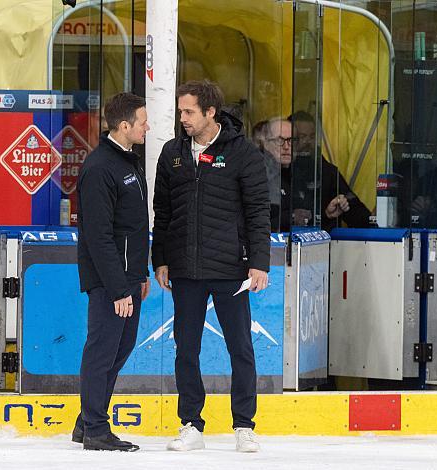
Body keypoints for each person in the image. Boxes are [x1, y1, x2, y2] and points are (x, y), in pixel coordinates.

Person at [152, 80, 270, 453]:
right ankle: (190, 424)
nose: (182, 118)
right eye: (181, 111)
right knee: (185, 347)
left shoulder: (243, 154)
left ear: (210, 113)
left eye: (188, 112)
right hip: (185, 269)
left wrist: (259, 263)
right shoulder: (172, 153)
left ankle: (244, 424)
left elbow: (257, 212)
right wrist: (162, 259)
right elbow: (163, 212)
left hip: (231, 269)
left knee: (240, 347)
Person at [74, 92, 151, 452]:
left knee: (120, 349)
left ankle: (86, 420)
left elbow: (133, 227)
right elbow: (99, 237)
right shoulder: (100, 168)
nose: (147, 126)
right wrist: (119, 288)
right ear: (124, 126)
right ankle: (95, 428)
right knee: (103, 350)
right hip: (110, 282)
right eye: (143, 121)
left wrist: (140, 275)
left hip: (128, 278)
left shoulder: (129, 162)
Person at [283, 112, 372, 232]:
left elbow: (355, 211)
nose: (307, 142)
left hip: (325, 243)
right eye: (301, 137)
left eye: (312, 136)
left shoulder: (327, 171)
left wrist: (374, 222)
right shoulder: (280, 171)